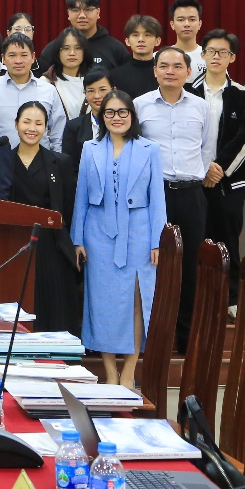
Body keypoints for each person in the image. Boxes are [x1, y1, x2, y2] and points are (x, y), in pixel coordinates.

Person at [72, 91, 166, 389]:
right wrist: (77, 238)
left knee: (136, 302)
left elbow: (157, 199)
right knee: (103, 304)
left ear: (132, 115)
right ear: (102, 117)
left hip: (139, 234)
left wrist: (157, 241)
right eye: (110, 112)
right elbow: (81, 196)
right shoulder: (90, 148)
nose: (116, 117)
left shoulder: (150, 149)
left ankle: (129, 371)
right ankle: (110, 372)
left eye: (122, 112)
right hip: (98, 235)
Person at [135, 46, 210, 350]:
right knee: (153, 264)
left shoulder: (201, 106)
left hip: (191, 194)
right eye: (163, 65)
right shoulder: (139, 105)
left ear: (188, 72)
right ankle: (155, 335)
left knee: (190, 266)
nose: (170, 71)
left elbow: (207, 148)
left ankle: (186, 336)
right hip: (154, 195)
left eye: (177, 66)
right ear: (154, 71)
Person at [193, 29, 245, 304]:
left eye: (223, 52)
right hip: (194, 181)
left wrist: (218, 168)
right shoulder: (188, 91)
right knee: (196, 241)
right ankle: (197, 300)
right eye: (211, 51)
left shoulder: (243, 95)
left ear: (232, 57)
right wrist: (202, 168)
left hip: (228, 184)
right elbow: (182, 138)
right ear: (203, 55)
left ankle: (231, 300)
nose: (216, 57)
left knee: (228, 241)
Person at [9, 101, 80, 335]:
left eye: (39, 123)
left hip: (51, 244)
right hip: (13, 244)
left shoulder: (60, 163)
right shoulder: (3, 160)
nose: (32, 128)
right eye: (26, 122)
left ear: (47, 128)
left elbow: (69, 208)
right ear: (16, 125)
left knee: (51, 308)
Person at [0, 33, 66, 152]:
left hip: (40, 160)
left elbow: (58, 133)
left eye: (24, 55)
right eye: (12, 55)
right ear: (3, 58)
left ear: (33, 57)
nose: (18, 61)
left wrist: (56, 159)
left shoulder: (48, 90)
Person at [38, 0, 130, 75]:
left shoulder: (116, 50)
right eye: (76, 10)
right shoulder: (53, 49)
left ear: (98, 12)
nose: (82, 15)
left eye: (88, 10)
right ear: (68, 13)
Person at [63, 69, 114, 169]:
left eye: (102, 90)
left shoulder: (124, 122)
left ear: (113, 90)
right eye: (91, 91)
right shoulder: (73, 127)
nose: (97, 96)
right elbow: (69, 166)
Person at [115, 15, 163, 100]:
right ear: (127, 41)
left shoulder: (164, 74)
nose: (141, 39)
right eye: (135, 35)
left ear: (157, 41)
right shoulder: (115, 75)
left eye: (147, 35)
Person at [47, 27, 90, 118]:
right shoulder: (45, 82)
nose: (72, 53)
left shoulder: (96, 81)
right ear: (58, 52)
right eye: (66, 48)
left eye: (78, 48)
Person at [168, 0, 206, 86]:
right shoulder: (159, 57)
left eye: (192, 19)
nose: (187, 24)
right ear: (172, 24)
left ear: (200, 24)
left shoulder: (211, 57)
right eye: (181, 20)